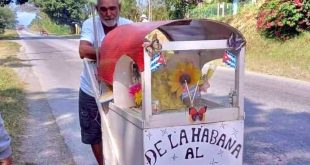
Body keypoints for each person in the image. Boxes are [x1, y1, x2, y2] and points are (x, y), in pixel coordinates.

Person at [78, 0, 132, 164]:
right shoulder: (90, 24)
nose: (108, 14)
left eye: (112, 9)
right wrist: (115, 52)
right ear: (97, 9)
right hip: (92, 89)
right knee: (93, 133)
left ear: (119, 8)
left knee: (124, 130)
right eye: (103, 9)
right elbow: (83, 50)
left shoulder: (128, 25)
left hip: (121, 88)